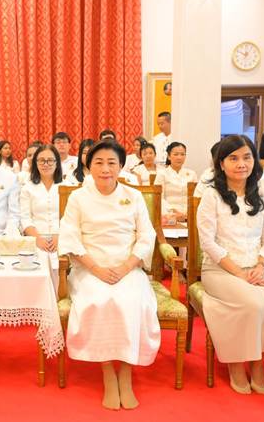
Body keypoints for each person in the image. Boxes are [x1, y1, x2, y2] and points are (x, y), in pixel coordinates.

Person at [197, 135, 264, 395]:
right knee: (253, 303)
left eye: (246, 157)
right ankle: (236, 364)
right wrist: (239, 273)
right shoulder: (211, 195)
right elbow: (208, 243)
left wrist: (262, 265)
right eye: (233, 158)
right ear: (221, 164)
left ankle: (258, 363)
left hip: (257, 267)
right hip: (220, 268)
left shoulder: (262, 193)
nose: (241, 164)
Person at [58, 139, 160, 410]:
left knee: (131, 301)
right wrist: (97, 269)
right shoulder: (78, 197)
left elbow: (147, 235)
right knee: (100, 301)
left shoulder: (133, 195)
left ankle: (125, 372)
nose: (105, 168)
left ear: (121, 166)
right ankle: (107, 371)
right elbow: (69, 237)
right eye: (99, 162)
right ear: (89, 166)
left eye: (111, 163)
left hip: (128, 267)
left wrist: (127, 266)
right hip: (90, 268)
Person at [20, 144, 63, 287]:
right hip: (36, 239)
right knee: (40, 261)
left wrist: (59, 236)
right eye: (41, 160)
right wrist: (38, 239)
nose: (46, 164)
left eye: (50, 160)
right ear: (35, 163)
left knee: (61, 262)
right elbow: (25, 218)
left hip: (62, 238)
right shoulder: (28, 188)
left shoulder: (66, 186)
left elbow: (70, 218)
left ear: (57, 163)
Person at [154, 141, 197, 223]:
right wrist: (173, 212)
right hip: (169, 215)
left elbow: (196, 197)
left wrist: (189, 213)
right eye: (176, 154)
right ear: (169, 156)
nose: (179, 157)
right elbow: (158, 198)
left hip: (189, 216)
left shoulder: (192, 174)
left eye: (182, 154)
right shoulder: (162, 174)